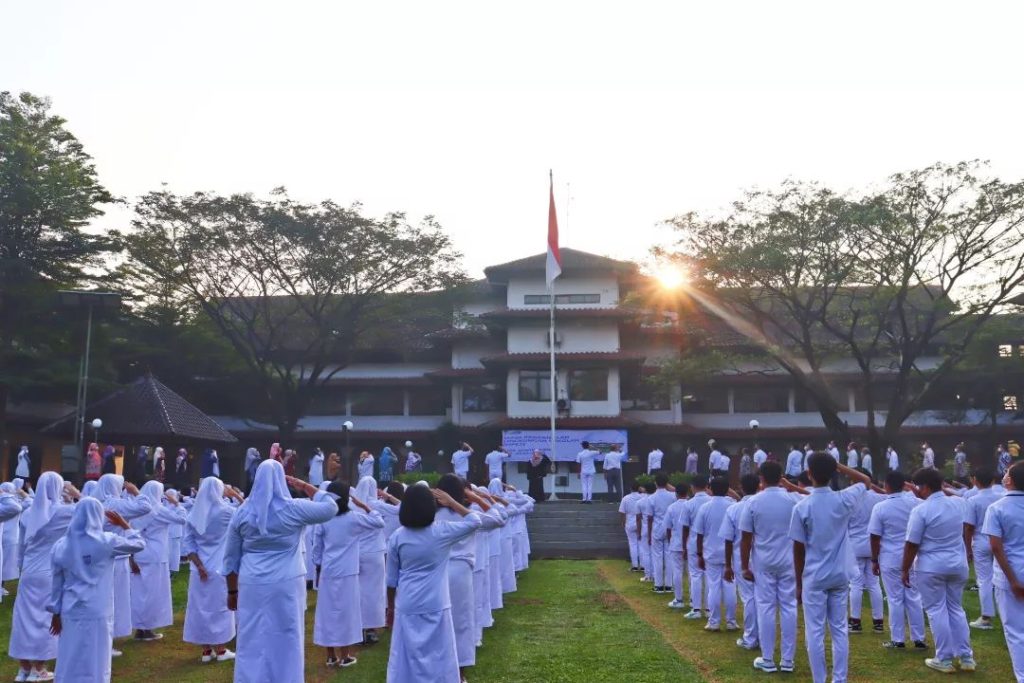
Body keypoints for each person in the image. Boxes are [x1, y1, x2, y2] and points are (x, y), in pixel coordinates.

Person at [222, 460, 337, 683]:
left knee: (251, 635)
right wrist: (306, 487)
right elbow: (330, 507)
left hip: (252, 582)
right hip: (286, 582)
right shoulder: (293, 508)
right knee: (287, 635)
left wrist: (232, 591)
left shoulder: (242, 512)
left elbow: (230, 558)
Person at [385, 484, 482, 683]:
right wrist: (452, 502)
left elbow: (391, 580)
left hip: (408, 603)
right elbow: (475, 521)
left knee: (407, 654)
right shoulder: (441, 531)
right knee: (439, 653)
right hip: (436, 602)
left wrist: (391, 608)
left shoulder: (398, 536)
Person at [790, 454, 871, 683]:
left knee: (815, 632)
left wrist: (798, 584)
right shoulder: (843, 499)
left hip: (814, 576)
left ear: (809, 474)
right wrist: (838, 466)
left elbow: (798, 550)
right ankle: (839, 679)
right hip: (839, 574)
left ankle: (819, 679)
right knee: (839, 630)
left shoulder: (802, 507)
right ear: (834, 472)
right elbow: (865, 480)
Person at [46, 499, 144, 683]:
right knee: (97, 656)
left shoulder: (61, 545)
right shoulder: (106, 541)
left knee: (71, 653)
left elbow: (57, 583)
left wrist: (55, 612)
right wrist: (125, 525)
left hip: (70, 608)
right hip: (98, 608)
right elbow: (138, 544)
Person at [904, 466, 975, 674]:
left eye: (918, 486)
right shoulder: (958, 503)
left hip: (931, 566)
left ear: (925, 487)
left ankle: (943, 658)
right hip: (957, 565)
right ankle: (966, 657)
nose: (917, 490)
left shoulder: (921, 510)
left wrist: (904, 569)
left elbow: (912, 544)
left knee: (937, 611)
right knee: (956, 609)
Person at [9, 472, 78, 682]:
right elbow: (93, 510)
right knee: (46, 618)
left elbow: (22, 546)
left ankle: (23, 668)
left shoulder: (29, 513)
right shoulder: (62, 512)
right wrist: (75, 494)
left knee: (23, 618)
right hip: (48, 571)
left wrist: (21, 566)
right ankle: (39, 667)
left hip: (28, 572)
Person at [435, 475, 501, 681]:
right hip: (460, 573)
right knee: (461, 622)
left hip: (436, 573)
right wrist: (479, 498)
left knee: (437, 621)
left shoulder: (432, 515)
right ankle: (459, 674)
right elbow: (499, 518)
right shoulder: (469, 516)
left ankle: (436, 670)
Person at [313, 481, 383, 669]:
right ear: (347, 498)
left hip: (328, 570)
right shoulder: (353, 518)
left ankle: (330, 655)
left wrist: (319, 566)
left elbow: (317, 548)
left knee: (327, 611)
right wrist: (365, 506)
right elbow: (379, 522)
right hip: (348, 572)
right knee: (346, 612)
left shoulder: (324, 519)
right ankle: (344, 656)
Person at [740, 461, 801, 674]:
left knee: (765, 608)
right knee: (789, 607)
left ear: (761, 479)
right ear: (781, 476)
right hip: (788, 560)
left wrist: (744, 566)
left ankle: (767, 658)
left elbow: (746, 538)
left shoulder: (753, 501)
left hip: (763, 562)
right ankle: (787, 660)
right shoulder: (793, 499)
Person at [183, 477, 240, 664]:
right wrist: (236, 495)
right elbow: (246, 511)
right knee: (220, 607)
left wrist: (199, 565)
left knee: (200, 608)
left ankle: (206, 650)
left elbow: (188, 544)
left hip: (199, 569)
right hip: (219, 566)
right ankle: (221, 649)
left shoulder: (193, 514)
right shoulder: (226, 512)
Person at [868, 470, 927, 650]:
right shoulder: (915, 503)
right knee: (913, 597)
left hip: (890, 557)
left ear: (886, 486)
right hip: (912, 556)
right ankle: (919, 638)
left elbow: (874, 536)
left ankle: (898, 639)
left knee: (895, 599)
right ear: (904, 485)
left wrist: (874, 559)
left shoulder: (881, 507)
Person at [96, 474, 152, 651]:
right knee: (114, 600)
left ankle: (102, 640)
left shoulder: (94, 502)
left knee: (102, 599)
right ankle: (107, 642)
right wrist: (136, 492)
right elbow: (145, 507)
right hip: (116, 557)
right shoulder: (115, 504)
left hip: (98, 557)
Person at [982, 460, 1024, 683]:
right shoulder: (997, 506)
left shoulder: (997, 508)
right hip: (1013, 573)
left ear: (1009, 480)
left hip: (1010, 574)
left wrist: (1013, 581)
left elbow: (996, 548)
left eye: (1007, 473)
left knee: (1015, 631)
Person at [130, 480, 186, 641]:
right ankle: (147, 629)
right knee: (152, 593)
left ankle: (140, 628)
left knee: (140, 592)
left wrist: (132, 558)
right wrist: (176, 503)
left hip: (139, 553)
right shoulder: (158, 510)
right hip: (156, 555)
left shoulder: (139, 509)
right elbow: (182, 518)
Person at [722, 474, 759, 651]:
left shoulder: (734, 509)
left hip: (742, 558)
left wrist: (728, 565)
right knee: (763, 600)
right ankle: (761, 637)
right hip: (764, 558)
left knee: (749, 598)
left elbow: (728, 540)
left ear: (741, 488)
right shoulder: (761, 505)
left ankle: (751, 638)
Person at [694, 477, 736, 631]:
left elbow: (699, 534)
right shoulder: (733, 505)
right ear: (727, 489)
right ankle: (731, 622)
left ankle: (714, 622)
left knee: (714, 588)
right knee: (730, 586)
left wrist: (699, 554)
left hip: (711, 552)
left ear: (710, 488)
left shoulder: (705, 508)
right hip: (730, 553)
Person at [964, 467, 1003, 631]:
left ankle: (986, 617)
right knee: (1002, 578)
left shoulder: (973, 500)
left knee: (985, 580)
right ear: (993, 481)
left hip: (981, 541)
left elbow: (968, 527)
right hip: (999, 541)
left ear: (975, 481)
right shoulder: (1001, 497)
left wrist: (967, 548)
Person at [847, 475, 886, 634]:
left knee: (855, 584)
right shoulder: (877, 498)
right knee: (874, 584)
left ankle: (855, 621)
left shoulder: (849, 499)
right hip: (873, 544)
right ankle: (878, 622)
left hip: (854, 544)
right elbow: (890, 494)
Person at [681, 474, 712, 620]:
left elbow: (685, 528)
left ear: (692, 487)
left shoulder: (689, 504)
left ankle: (696, 608)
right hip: (710, 543)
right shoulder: (711, 501)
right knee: (709, 576)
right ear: (706, 486)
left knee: (695, 575)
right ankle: (709, 609)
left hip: (694, 543)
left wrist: (684, 547)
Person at [646, 473, 675, 593]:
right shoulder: (673, 496)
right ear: (667, 483)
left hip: (657, 529)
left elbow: (649, 518)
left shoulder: (651, 498)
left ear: (655, 483)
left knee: (657, 557)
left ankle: (658, 585)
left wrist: (649, 534)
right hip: (669, 529)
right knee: (669, 557)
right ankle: (668, 585)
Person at [664, 484, 689, 609]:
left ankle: (679, 599)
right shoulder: (691, 505)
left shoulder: (672, 507)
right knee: (692, 574)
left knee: (677, 572)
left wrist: (670, 541)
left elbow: (668, 528)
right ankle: (693, 600)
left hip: (676, 543)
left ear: (676, 494)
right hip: (690, 544)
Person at [620, 483, 642, 572]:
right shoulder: (642, 497)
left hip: (630, 522)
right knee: (641, 544)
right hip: (641, 523)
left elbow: (622, 512)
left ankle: (635, 566)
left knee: (633, 544)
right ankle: (643, 565)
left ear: (630, 488)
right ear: (639, 488)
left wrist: (623, 522)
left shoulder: (626, 498)